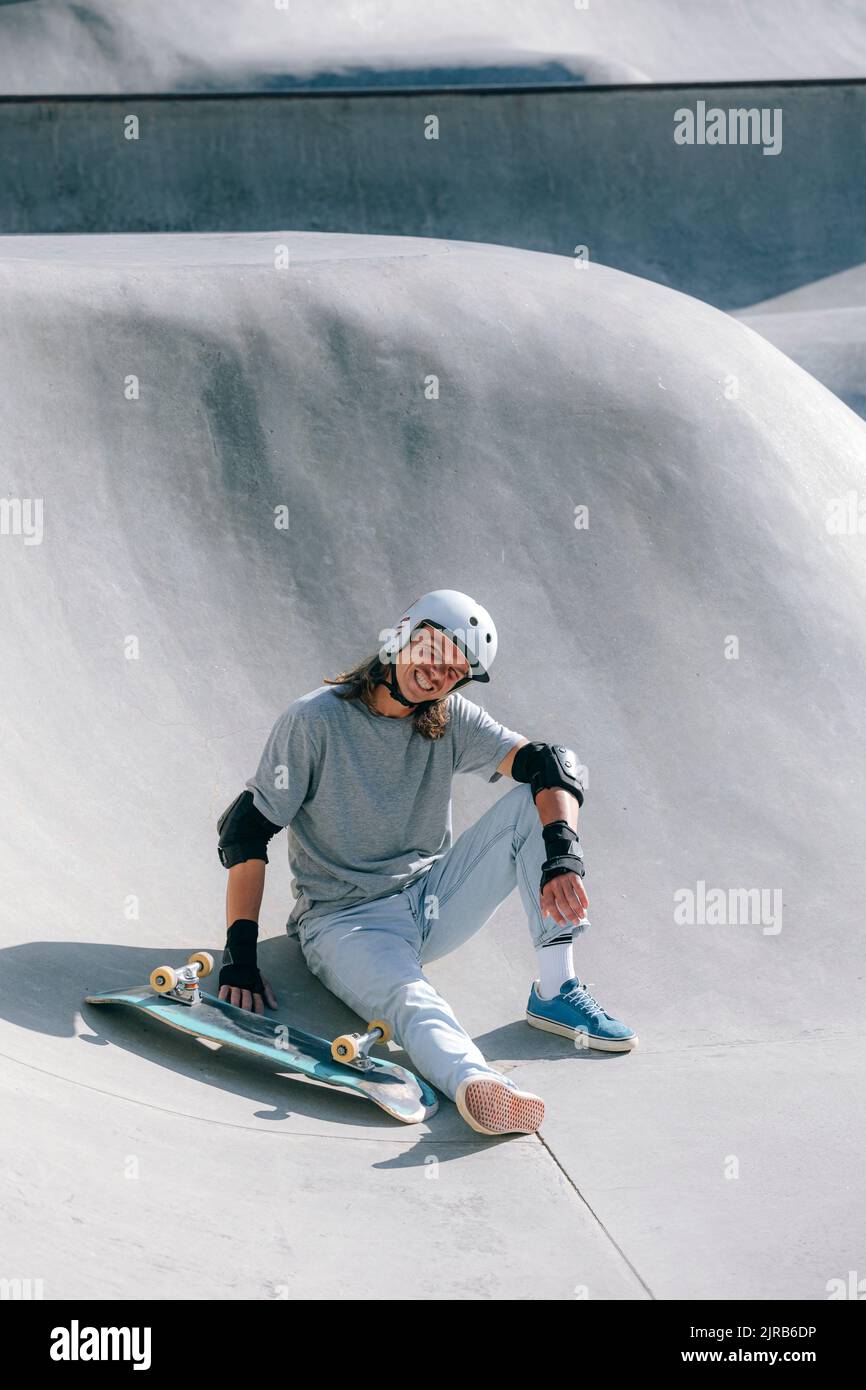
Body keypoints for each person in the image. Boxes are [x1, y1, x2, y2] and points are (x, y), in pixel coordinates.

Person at [216, 589, 636, 1136]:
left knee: (540, 790)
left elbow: (550, 763)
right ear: (403, 636)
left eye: (454, 670)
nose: (437, 674)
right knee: (410, 999)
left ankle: (556, 990)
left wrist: (563, 855)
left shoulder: (448, 717)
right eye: (433, 651)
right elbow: (246, 832)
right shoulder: (314, 721)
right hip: (346, 920)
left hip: (434, 897)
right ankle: (475, 1083)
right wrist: (239, 955)